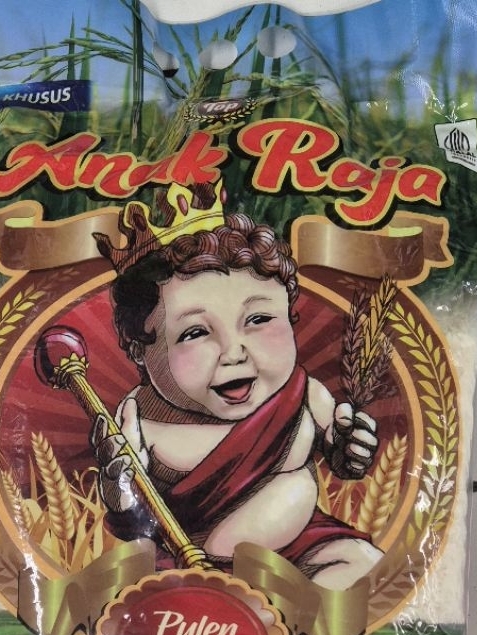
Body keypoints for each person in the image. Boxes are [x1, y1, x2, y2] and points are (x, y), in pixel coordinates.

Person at [90, 182, 382, 590]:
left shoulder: (303, 395)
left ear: (290, 317)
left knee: (363, 564)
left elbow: (340, 456)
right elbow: (133, 517)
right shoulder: (139, 421)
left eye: (258, 320)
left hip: (305, 549)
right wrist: (120, 488)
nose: (233, 353)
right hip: (190, 566)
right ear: (141, 351)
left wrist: (349, 450)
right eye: (195, 332)